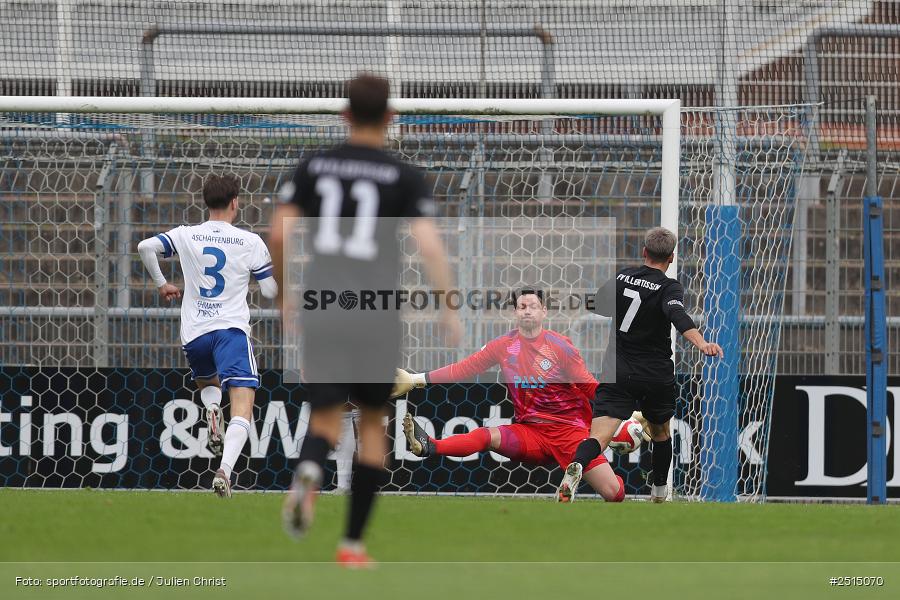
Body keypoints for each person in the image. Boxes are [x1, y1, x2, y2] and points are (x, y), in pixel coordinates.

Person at [270, 73, 461, 567]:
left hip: (323, 299)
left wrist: (287, 296)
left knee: (328, 414)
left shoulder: (315, 164)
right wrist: (447, 304)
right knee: (374, 422)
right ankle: (352, 545)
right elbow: (428, 244)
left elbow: (278, 231)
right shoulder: (401, 174)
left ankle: (309, 469)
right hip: (375, 308)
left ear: (345, 115)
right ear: (391, 118)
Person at [394, 289, 644, 503]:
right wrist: (417, 379)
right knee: (486, 435)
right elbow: (465, 368)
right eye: (522, 306)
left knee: (614, 494)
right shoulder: (502, 346)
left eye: (533, 306)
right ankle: (430, 445)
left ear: (544, 311)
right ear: (515, 312)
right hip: (531, 433)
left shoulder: (561, 347)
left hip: (571, 434)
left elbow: (589, 386)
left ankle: (594, 478)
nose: (527, 311)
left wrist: (624, 413)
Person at [137, 174, 277, 498]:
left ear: (205, 202)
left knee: (209, 385)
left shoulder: (187, 235)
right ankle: (225, 471)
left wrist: (162, 283)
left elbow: (146, 247)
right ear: (235, 203)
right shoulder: (250, 241)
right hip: (231, 331)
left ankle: (212, 410)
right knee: (242, 407)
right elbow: (270, 290)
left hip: (196, 331)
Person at [558, 227, 722, 503]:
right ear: (671, 258)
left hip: (618, 371)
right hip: (655, 375)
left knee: (598, 437)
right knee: (660, 433)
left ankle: (576, 466)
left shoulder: (623, 276)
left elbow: (596, 305)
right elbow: (677, 314)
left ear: (644, 252)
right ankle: (658, 493)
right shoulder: (670, 287)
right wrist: (701, 342)